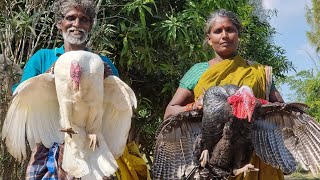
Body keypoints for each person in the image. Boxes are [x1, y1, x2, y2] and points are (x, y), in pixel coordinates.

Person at [13, 0, 150, 179]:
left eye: (84, 19)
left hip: (91, 150)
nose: (77, 24)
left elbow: (120, 107)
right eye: (71, 18)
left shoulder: (102, 64)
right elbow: (19, 95)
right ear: (59, 23)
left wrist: (108, 78)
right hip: (50, 146)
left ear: (90, 25)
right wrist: (49, 76)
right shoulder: (43, 58)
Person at [163, 9, 284, 180]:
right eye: (218, 31)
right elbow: (170, 111)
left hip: (254, 158)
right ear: (209, 39)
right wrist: (195, 106)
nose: (224, 35)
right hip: (209, 159)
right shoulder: (198, 71)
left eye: (230, 29)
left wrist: (253, 103)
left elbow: (280, 112)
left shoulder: (259, 72)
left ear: (238, 35)